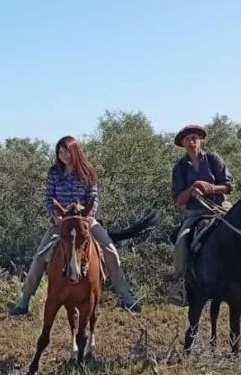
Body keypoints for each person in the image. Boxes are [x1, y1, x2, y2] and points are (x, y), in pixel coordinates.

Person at [9, 135, 142, 316]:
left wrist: (88, 217)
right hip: (62, 222)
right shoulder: (54, 173)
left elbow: (94, 199)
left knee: (110, 249)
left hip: (85, 221)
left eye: (66, 151)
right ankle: (24, 300)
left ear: (75, 151)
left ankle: (126, 297)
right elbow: (49, 198)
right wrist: (56, 215)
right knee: (40, 255)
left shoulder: (88, 172)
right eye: (60, 152)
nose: (63, 155)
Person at [169, 124, 241, 305]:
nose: (192, 142)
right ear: (183, 144)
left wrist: (211, 188)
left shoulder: (213, 159)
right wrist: (193, 188)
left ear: (200, 140)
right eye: (187, 139)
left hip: (222, 207)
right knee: (181, 244)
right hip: (195, 212)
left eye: (195, 138)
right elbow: (178, 200)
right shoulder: (180, 168)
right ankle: (181, 286)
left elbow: (229, 186)